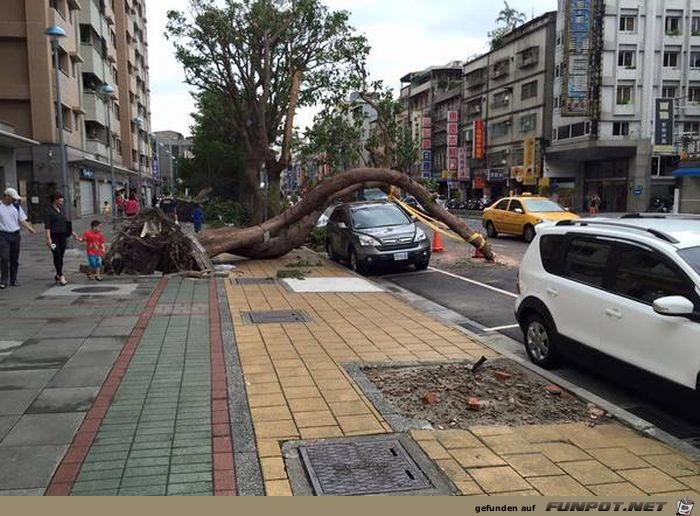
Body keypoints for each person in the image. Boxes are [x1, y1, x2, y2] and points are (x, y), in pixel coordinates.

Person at [0, 188, 36, 289]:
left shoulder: (16, 206)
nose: (14, 200)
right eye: (13, 198)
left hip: (15, 235)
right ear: (6, 196)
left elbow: (22, 220)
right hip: (3, 235)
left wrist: (30, 228)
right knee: (4, 257)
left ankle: (13, 279)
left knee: (14, 259)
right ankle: (3, 280)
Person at [44, 191, 79, 286]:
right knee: (56, 253)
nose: (62, 201)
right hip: (53, 237)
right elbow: (47, 225)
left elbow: (65, 223)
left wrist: (73, 233)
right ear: (56, 200)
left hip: (62, 236)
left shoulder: (61, 209)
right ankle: (61, 275)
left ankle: (58, 274)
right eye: (60, 199)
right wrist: (48, 238)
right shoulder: (48, 211)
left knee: (61, 255)